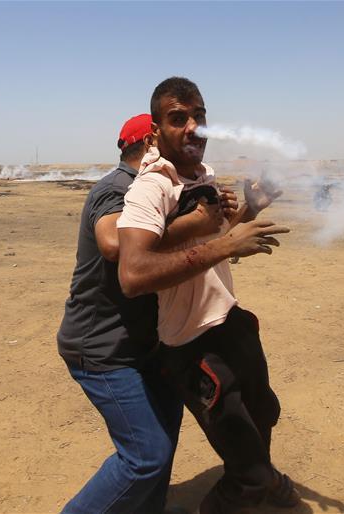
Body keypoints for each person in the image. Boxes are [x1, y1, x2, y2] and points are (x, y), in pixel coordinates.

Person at [117, 77, 297, 513]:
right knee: (246, 476)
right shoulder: (150, 188)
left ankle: (265, 476)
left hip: (229, 322)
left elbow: (208, 242)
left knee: (262, 415)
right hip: (191, 343)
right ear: (157, 130)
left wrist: (250, 210)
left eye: (199, 116)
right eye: (179, 118)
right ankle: (257, 483)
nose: (192, 126)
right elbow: (133, 273)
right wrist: (225, 246)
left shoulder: (202, 176)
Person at [57, 114, 237, 514]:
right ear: (150, 143)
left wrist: (226, 214)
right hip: (104, 347)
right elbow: (113, 244)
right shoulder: (119, 187)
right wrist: (193, 223)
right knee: (146, 456)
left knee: (164, 441)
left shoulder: (161, 190)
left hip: (147, 344)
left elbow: (192, 246)